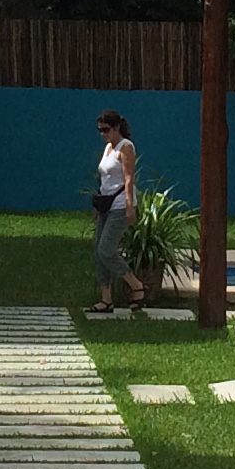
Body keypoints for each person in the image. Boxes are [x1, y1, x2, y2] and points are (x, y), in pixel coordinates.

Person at [89, 109, 143, 318]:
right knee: (98, 252)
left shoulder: (126, 147)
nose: (103, 134)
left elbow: (128, 178)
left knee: (107, 250)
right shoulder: (107, 149)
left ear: (116, 127)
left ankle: (136, 285)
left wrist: (130, 206)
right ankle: (106, 299)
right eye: (100, 130)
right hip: (106, 205)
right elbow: (104, 180)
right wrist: (97, 205)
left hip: (120, 206)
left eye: (106, 130)